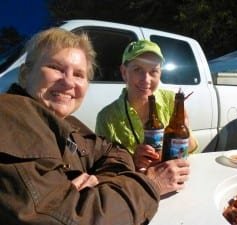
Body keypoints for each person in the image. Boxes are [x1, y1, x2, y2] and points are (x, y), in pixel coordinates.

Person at [0, 28, 180, 225]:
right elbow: (72, 217)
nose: (68, 81)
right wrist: (151, 184)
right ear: (26, 74)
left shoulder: (66, 123)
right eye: (55, 68)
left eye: (79, 74)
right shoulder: (11, 118)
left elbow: (113, 151)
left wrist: (101, 182)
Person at [95, 39, 197, 171]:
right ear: (124, 72)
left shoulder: (172, 101)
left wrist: (183, 136)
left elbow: (193, 148)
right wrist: (131, 160)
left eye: (153, 71)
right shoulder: (106, 118)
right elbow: (102, 166)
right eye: (138, 69)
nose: (146, 80)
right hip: (133, 187)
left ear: (160, 73)